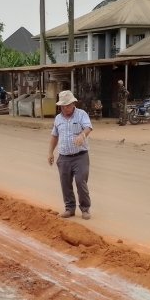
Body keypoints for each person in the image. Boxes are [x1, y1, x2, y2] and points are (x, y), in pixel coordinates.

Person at [47, 90, 93, 220]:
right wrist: (50, 152)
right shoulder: (58, 118)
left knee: (80, 182)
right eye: (63, 106)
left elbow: (88, 127)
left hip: (80, 156)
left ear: (73, 103)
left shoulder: (81, 114)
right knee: (65, 183)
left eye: (67, 105)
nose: (65, 108)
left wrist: (82, 135)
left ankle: (85, 209)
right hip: (64, 157)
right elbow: (54, 136)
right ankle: (69, 209)